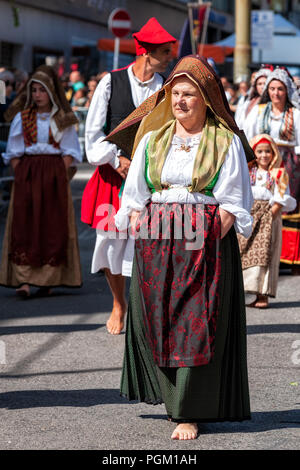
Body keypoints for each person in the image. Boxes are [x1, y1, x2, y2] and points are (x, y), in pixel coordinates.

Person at [107, 55, 254, 440]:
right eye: (175, 93)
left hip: (203, 241)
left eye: (189, 94)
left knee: (196, 323)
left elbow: (235, 201)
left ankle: (188, 411)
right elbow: (134, 195)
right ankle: (169, 398)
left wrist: (208, 237)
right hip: (156, 241)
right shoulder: (154, 140)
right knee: (159, 318)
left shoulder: (224, 142)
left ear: (206, 97)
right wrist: (138, 220)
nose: (180, 101)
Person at [81, 17, 176, 335]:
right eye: (164, 51)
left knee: (151, 245)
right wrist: (116, 159)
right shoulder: (111, 81)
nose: (169, 57)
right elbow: (92, 136)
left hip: (150, 179)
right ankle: (119, 303)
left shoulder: (166, 88)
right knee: (110, 245)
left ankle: (146, 310)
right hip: (113, 177)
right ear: (146, 52)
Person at [0, 65, 82, 297]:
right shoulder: (22, 117)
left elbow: (71, 151)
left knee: (51, 224)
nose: (37, 95)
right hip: (28, 173)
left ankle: (49, 279)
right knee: (24, 224)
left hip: (54, 175)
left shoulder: (62, 118)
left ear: (52, 92)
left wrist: (56, 172)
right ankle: (23, 281)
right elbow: (14, 151)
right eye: (34, 90)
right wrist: (24, 172)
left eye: (42, 90)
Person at [244, 67, 300, 275]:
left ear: (287, 91)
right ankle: (259, 253)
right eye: (273, 89)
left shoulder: (295, 114)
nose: (276, 93)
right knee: (262, 204)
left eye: (281, 89)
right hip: (263, 160)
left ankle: (291, 258)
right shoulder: (259, 111)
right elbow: (248, 135)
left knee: (287, 206)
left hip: (289, 163)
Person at [238, 134, 296, 308]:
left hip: (268, 216)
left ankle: (262, 295)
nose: (264, 155)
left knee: (266, 254)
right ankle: (248, 292)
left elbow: (281, 198)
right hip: (249, 215)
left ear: (274, 153)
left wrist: (270, 215)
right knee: (244, 252)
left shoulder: (278, 173)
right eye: (260, 151)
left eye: (268, 151)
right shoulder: (248, 172)